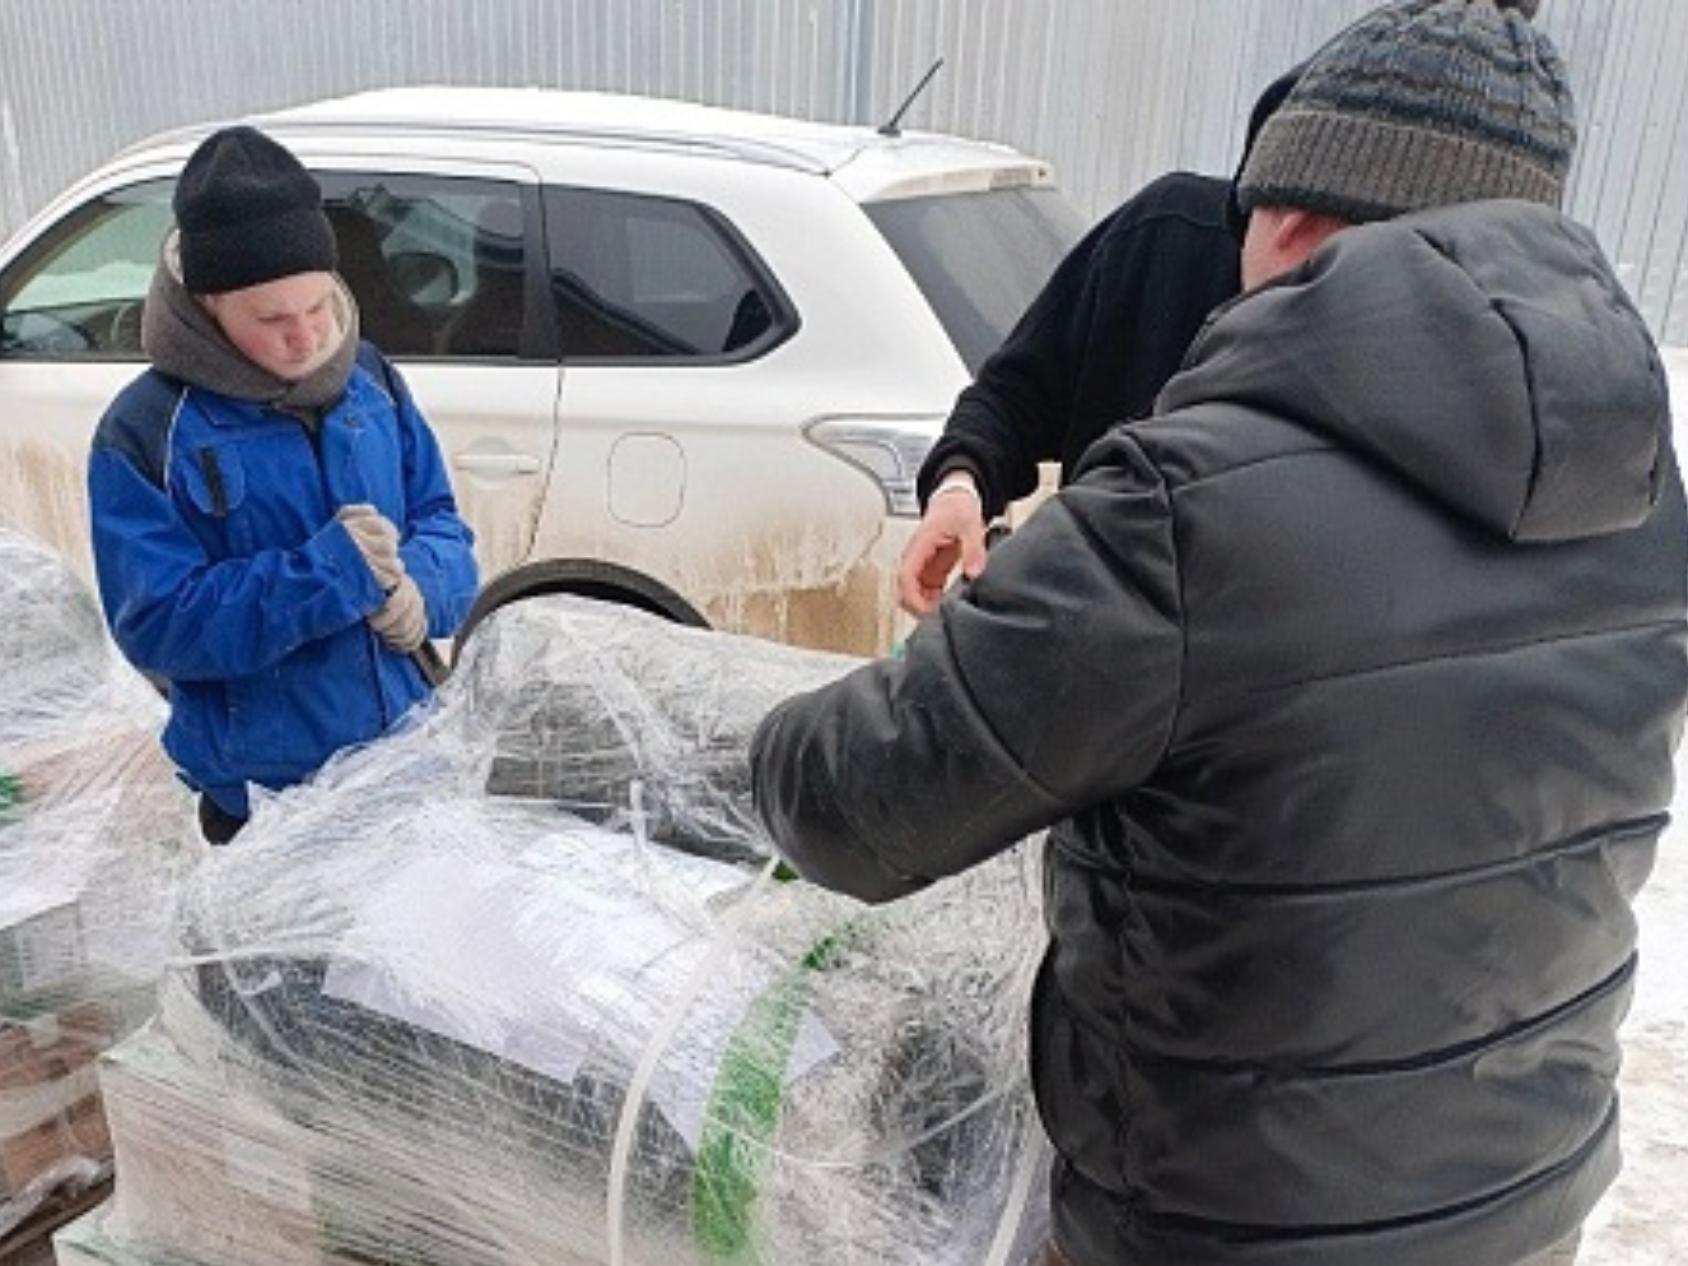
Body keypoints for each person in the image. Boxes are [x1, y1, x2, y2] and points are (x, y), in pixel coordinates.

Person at [753, 2, 1686, 1264]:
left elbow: (858, 803)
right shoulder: (1638, 484)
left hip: (1225, 1227)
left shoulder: (1188, 513)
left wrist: (746, 736)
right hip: (1517, 1209)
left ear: (1289, 215)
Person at [88, 127, 479, 845]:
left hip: (411, 766)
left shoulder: (372, 381)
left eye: (319, 307)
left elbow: (445, 527)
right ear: (207, 306)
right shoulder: (146, 431)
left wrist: (423, 589)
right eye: (272, 319)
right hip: (267, 803)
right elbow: (157, 626)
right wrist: (328, 575)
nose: (307, 339)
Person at [897, 67, 1302, 616]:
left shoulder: (1412, 369)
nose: (1288, 237)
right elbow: (1013, 395)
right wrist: (959, 485)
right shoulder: (1165, 237)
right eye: (1275, 203)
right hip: (1087, 643)